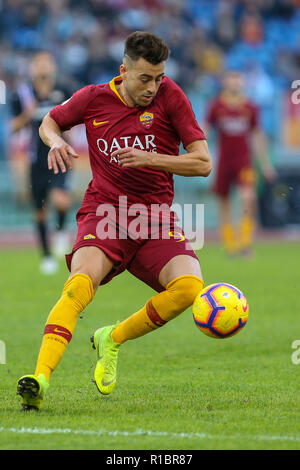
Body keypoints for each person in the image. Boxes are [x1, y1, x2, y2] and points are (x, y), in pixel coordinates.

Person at [17, 31, 212, 410]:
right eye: (145, 78)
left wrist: (151, 158)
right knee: (78, 285)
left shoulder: (172, 96)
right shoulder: (93, 98)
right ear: (123, 71)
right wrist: (55, 141)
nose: (153, 87)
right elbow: (49, 121)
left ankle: (113, 338)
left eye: (158, 77)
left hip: (155, 218)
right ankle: (39, 380)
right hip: (105, 212)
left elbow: (203, 162)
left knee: (189, 289)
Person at [10, 52, 72, 274]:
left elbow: (73, 120)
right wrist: (32, 107)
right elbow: (14, 126)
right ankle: (46, 257)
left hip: (59, 155)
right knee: (40, 211)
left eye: (47, 63)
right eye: (39, 64)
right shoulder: (22, 94)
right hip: (35, 160)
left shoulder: (63, 90)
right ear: (32, 69)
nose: (44, 68)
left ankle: (62, 230)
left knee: (61, 200)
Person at [204, 70, 276, 257]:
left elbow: (257, 135)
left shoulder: (250, 107)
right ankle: (230, 244)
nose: (235, 84)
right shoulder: (216, 106)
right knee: (224, 202)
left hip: (244, 160)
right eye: (231, 80)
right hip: (224, 160)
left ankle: (245, 243)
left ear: (242, 83)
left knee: (247, 198)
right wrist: (200, 152)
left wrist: (265, 163)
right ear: (226, 82)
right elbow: (205, 131)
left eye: (238, 80)